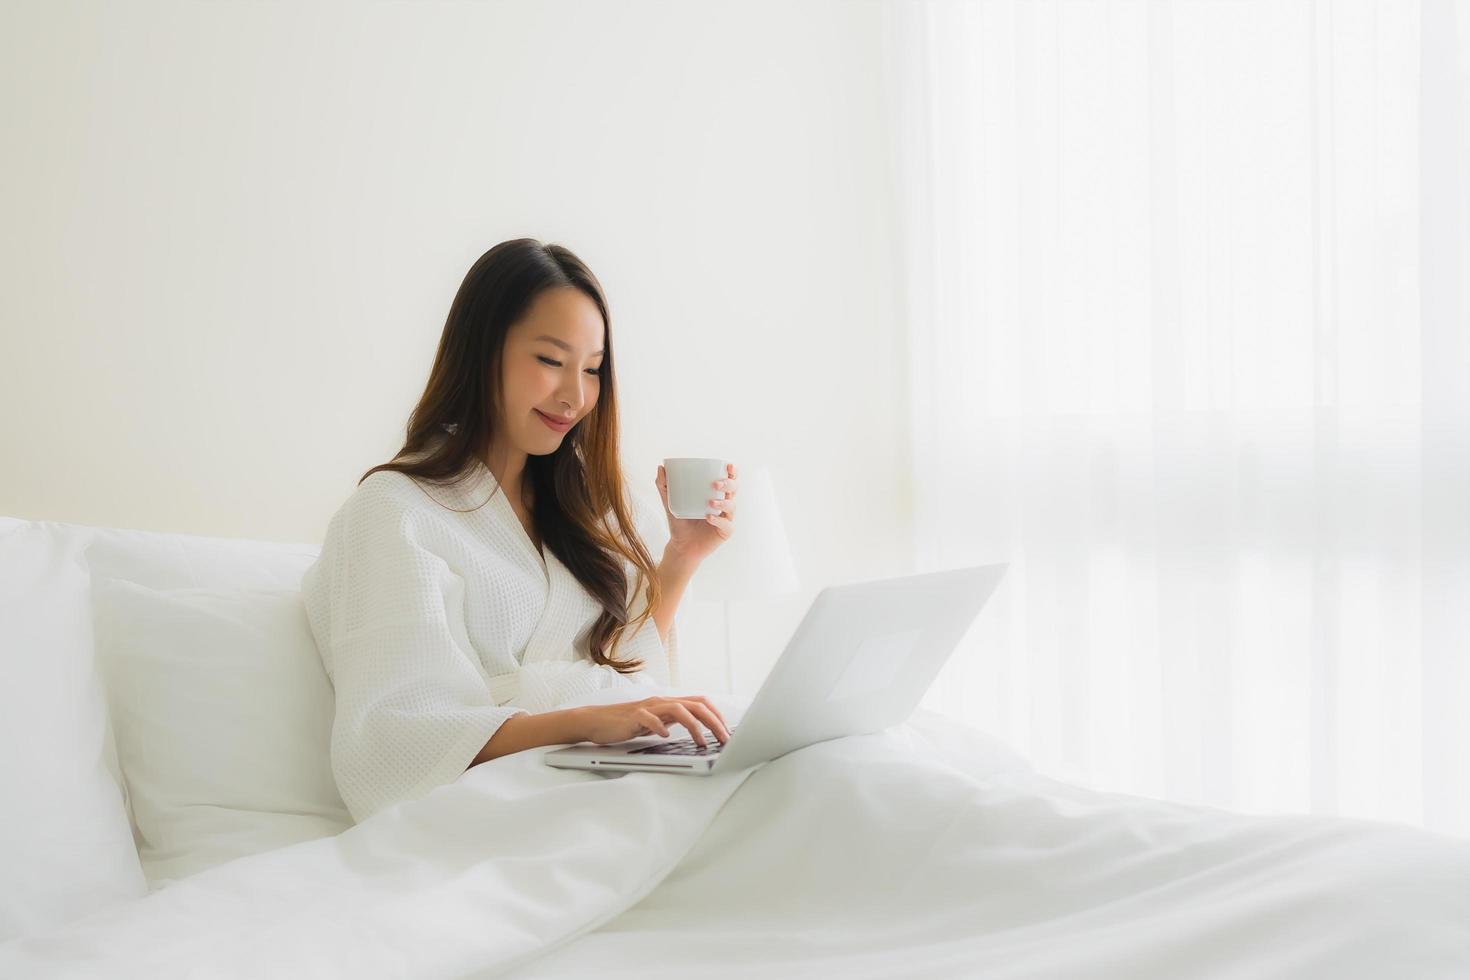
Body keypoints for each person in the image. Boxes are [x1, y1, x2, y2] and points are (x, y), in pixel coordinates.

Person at [300, 239, 739, 823]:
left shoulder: (589, 506)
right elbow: (394, 737)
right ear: (482, 352)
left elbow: (628, 666)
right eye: (551, 361)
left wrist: (682, 557)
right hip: (500, 799)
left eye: (592, 369)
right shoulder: (391, 511)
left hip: (610, 771)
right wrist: (584, 725)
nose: (575, 396)